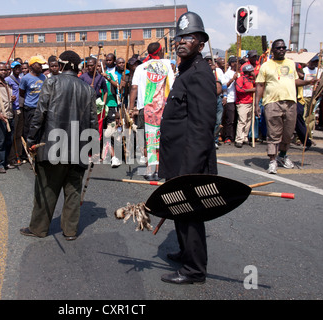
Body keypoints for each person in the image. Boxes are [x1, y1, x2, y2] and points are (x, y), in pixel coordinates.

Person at [159, 12, 217, 285]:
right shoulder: (186, 70)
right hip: (177, 158)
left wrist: (189, 171)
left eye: (188, 37)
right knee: (180, 211)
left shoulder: (200, 74)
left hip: (188, 163)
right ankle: (185, 252)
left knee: (190, 214)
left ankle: (194, 270)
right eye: (179, 38)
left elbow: (202, 127)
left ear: (201, 43)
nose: (181, 42)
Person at [20, 50, 97, 241]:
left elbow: (40, 114)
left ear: (62, 65)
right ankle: (70, 231)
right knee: (73, 191)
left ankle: (39, 228)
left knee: (46, 188)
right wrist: (92, 148)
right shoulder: (88, 88)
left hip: (52, 145)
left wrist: (31, 139)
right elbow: (93, 121)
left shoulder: (52, 82)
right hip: (78, 148)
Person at [255, 39, 316, 174]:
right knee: (273, 133)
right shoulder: (266, 65)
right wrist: (257, 103)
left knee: (288, 133)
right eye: (278, 48)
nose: (282, 50)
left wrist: (308, 81)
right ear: (273, 50)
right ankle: (272, 160)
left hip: (290, 102)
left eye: (283, 48)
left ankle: (282, 155)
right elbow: (259, 85)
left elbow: (295, 80)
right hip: (272, 102)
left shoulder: (290, 64)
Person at [128, 42, 174, 180]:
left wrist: (131, 108)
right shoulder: (167, 66)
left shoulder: (141, 67)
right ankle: (158, 170)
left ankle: (149, 170)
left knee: (147, 140)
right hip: (162, 109)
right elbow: (172, 86)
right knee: (159, 140)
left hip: (144, 109)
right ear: (160, 52)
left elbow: (134, 88)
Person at [19, 56, 47, 141]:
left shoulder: (43, 77)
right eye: (39, 65)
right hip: (30, 108)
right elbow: (22, 93)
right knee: (30, 130)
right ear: (32, 66)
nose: (41, 67)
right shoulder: (25, 78)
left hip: (41, 108)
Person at [5, 60, 24, 166]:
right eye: (15, 67)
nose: (17, 69)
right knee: (13, 134)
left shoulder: (20, 79)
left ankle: (18, 155)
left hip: (20, 107)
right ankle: (11, 157)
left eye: (19, 67)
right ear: (12, 69)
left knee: (18, 134)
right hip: (13, 109)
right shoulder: (8, 79)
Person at [234, 63, 256, 148]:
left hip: (250, 102)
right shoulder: (240, 79)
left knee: (248, 121)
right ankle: (239, 139)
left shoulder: (251, 79)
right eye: (251, 71)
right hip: (242, 103)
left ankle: (244, 137)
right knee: (242, 121)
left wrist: (254, 77)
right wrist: (250, 90)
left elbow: (257, 85)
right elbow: (239, 89)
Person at [222, 56, 238, 144]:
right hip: (230, 98)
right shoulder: (227, 74)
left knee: (236, 119)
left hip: (238, 99)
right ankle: (227, 137)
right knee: (230, 120)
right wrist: (232, 79)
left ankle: (234, 136)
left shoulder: (238, 72)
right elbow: (225, 86)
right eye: (235, 62)